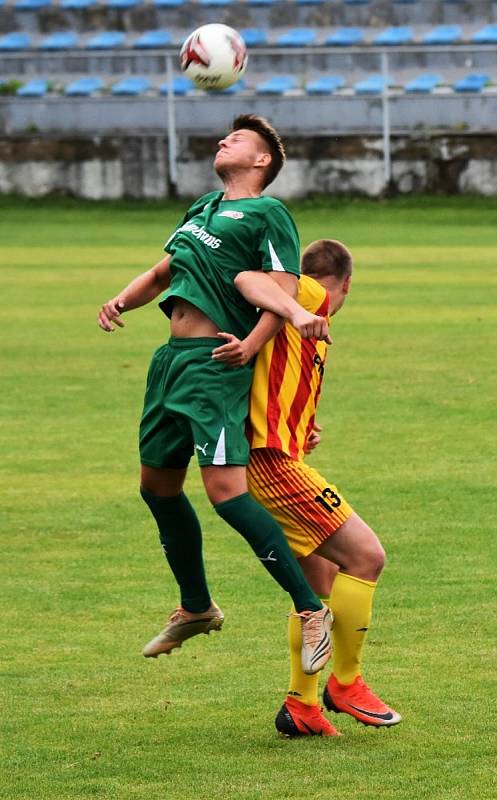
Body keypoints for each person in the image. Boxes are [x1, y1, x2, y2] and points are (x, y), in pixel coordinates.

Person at [97, 114, 333, 676]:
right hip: (169, 363)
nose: (224, 141)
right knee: (156, 487)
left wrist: (251, 345)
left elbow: (276, 290)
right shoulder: (203, 207)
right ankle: (197, 606)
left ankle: (311, 609)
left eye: (240, 140)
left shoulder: (268, 213)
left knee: (226, 492)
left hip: (214, 363)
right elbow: (166, 270)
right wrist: (121, 301)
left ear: (261, 162)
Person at [216, 239, 401, 736]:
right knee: (365, 557)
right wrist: (298, 305)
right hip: (271, 462)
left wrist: (304, 428)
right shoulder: (312, 297)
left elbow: (278, 378)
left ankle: (301, 704)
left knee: (317, 586)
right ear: (345, 284)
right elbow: (247, 280)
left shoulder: (304, 317)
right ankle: (346, 682)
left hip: (277, 452)